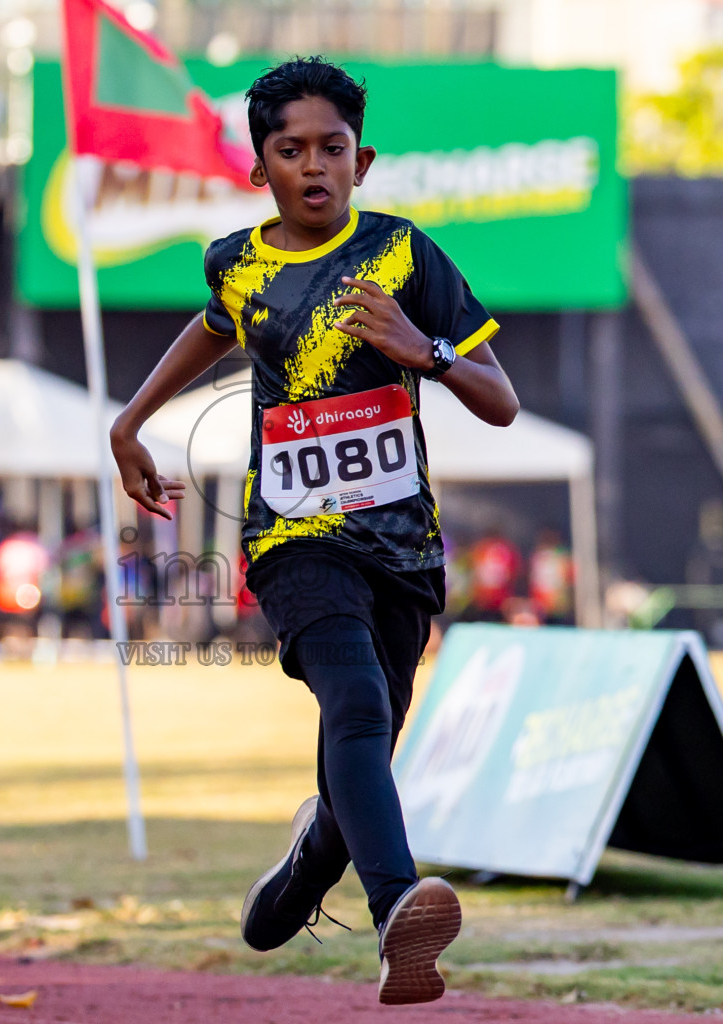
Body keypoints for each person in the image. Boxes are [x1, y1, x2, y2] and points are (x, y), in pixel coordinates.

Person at [109, 57, 519, 1006]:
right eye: (289, 151)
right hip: (294, 540)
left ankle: (302, 873)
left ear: (362, 159)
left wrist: (427, 353)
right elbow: (212, 326)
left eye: (331, 147)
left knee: (362, 741)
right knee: (358, 705)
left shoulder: (404, 257)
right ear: (260, 169)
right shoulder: (238, 262)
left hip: (404, 547)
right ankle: (397, 916)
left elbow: (499, 400)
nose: (313, 166)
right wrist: (129, 423)